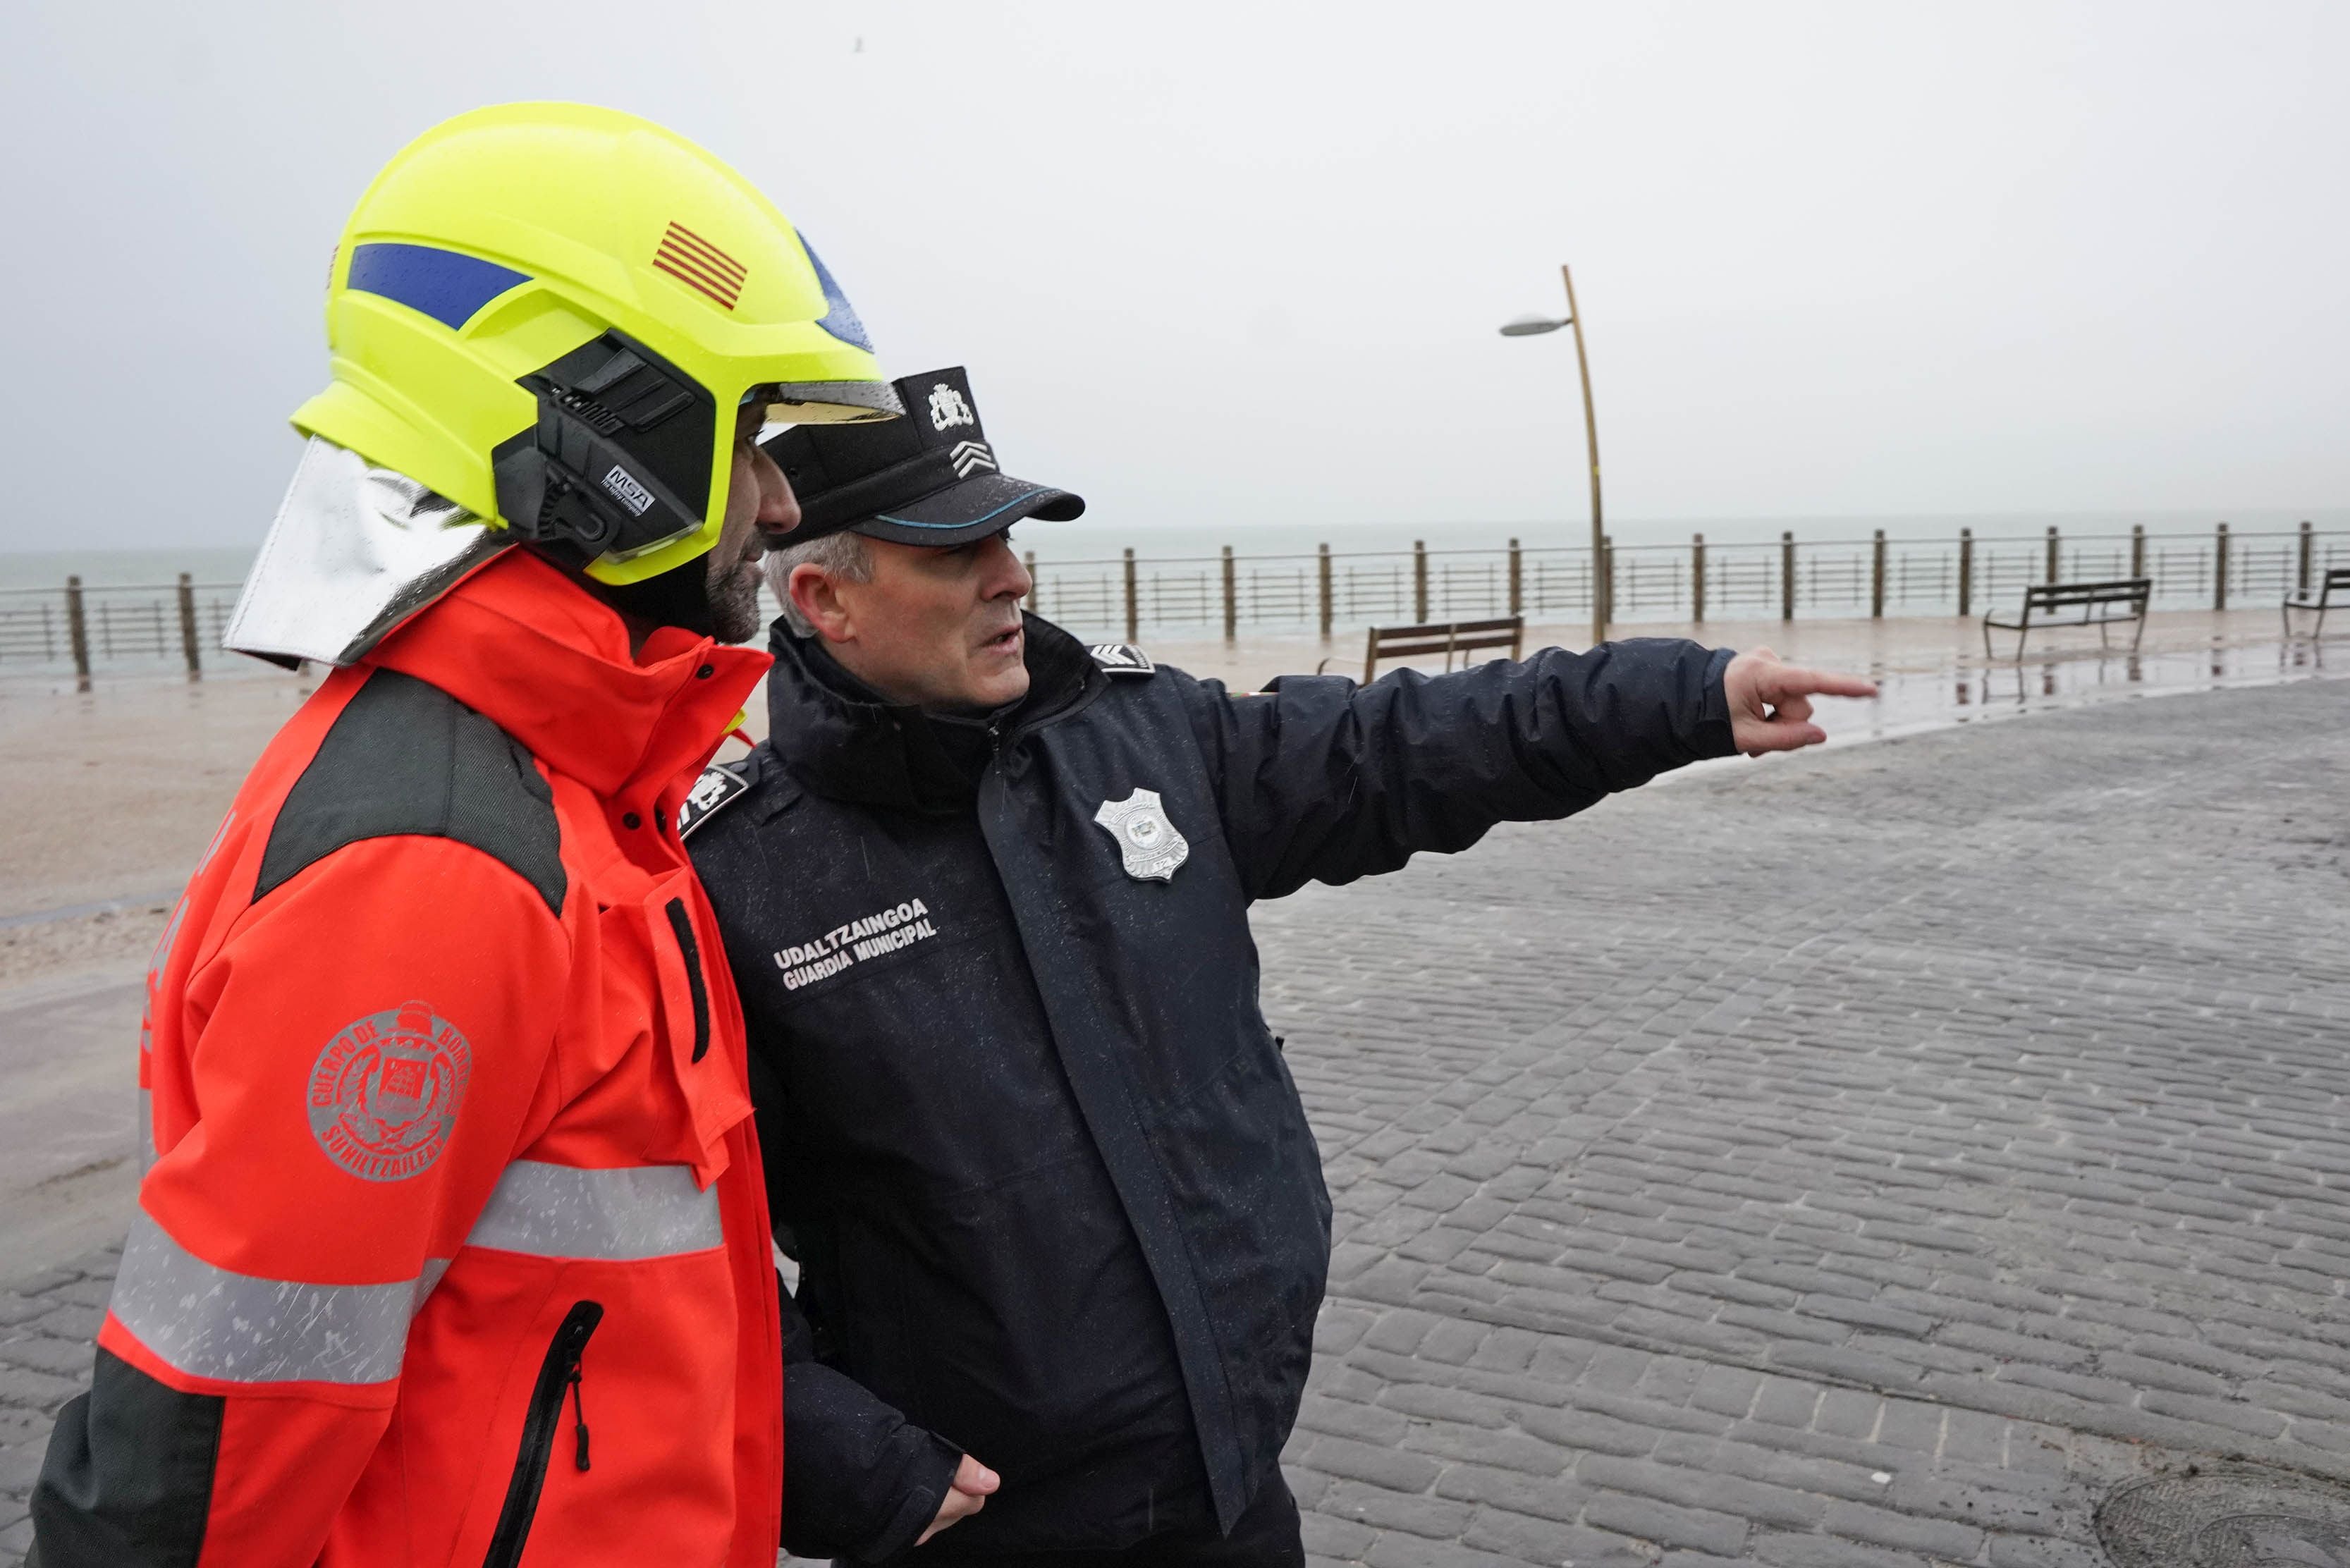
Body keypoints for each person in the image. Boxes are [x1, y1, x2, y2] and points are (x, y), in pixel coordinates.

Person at [679, 366, 1879, 1565]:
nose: (1012, 577)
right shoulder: (736, 876)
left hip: (1231, 1479)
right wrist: (837, 1457)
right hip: (978, 1520)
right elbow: (673, 1239)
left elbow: (1399, 746)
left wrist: (1681, 698)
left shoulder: (1142, 733)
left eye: (1007, 537)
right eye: (956, 553)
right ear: (828, 598)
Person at [29, 102, 901, 1568]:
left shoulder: (571, 788)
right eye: (749, 434)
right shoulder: (442, 863)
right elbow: (210, 1435)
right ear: (613, 425)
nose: (778, 498)